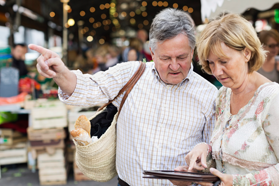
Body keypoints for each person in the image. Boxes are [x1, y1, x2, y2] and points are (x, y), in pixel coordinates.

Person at [29, 8, 218, 186]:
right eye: (166, 58)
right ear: (152, 53)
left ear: (193, 52)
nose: (175, 66)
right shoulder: (131, 74)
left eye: (182, 57)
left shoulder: (209, 95)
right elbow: (87, 88)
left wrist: (199, 170)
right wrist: (60, 73)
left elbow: (215, 152)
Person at [174, 13, 279, 186]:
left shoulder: (272, 99)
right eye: (211, 63)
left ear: (247, 53)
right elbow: (226, 159)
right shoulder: (223, 94)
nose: (216, 72)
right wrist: (203, 156)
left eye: (223, 61)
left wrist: (241, 182)